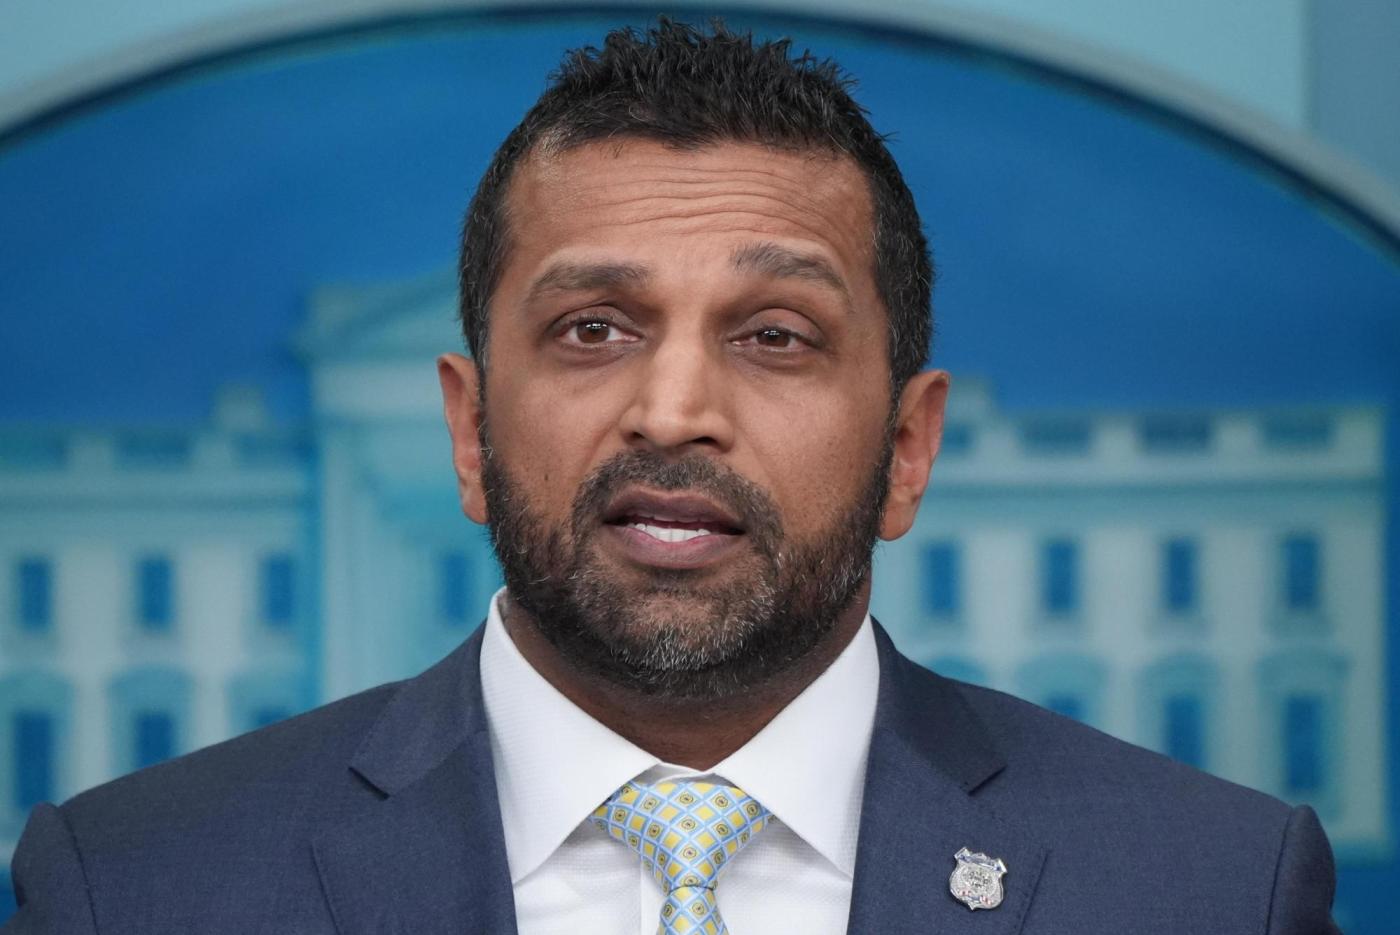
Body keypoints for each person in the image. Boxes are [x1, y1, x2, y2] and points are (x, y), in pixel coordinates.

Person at [5, 19, 1339, 934]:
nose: (676, 410)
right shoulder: (135, 890)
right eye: (594, 330)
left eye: (777, 336)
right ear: (468, 432)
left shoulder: (1214, 890)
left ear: (908, 449)